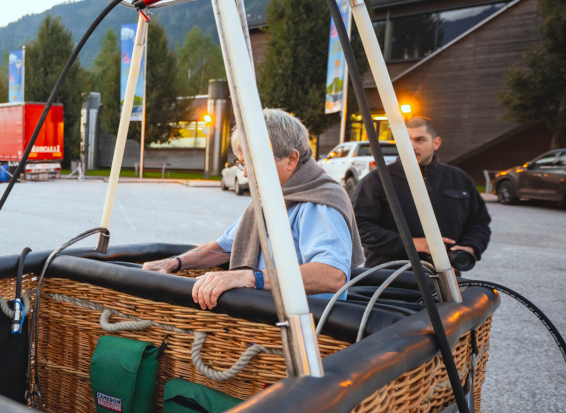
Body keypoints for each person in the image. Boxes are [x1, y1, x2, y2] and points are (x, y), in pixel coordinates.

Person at [144, 109, 363, 309]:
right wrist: (173, 263)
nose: (246, 174)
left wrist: (249, 278)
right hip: (267, 318)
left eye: (253, 162)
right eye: (242, 163)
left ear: (292, 159)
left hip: (306, 328)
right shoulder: (274, 199)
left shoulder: (317, 203)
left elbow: (332, 275)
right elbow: (223, 247)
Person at [353, 116, 490, 269]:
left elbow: (479, 223)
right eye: (405, 139)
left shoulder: (459, 179)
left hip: (445, 277)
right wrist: (413, 244)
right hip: (388, 277)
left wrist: (469, 247)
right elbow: (359, 226)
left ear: (436, 143)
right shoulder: (377, 180)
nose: (411, 146)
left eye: (420, 140)